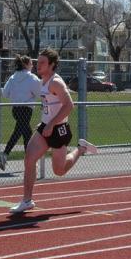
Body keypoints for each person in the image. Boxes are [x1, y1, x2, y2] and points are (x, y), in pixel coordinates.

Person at [9, 48, 98, 213]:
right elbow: (48, 105)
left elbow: (69, 105)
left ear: (52, 65)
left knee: (59, 170)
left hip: (59, 129)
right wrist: (44, 123)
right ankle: (27, 200)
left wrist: (51, 124)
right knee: (29, 157)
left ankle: (80, 149)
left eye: (42, 62)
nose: (38, 65)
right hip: (45, 127)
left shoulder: (56, 82)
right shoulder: (41, 81)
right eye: (37, 62)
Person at [0, 55, 41, 170]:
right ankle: (6, 153)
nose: (33, 65)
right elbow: (39, 93)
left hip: (16, 109)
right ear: (26, 65)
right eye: (31, 63)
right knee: (19, 132)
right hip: (26, 109)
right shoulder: (32, 78)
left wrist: (17, 94)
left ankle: (29, 160)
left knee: (27, 133)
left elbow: (5, 93)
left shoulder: (13, 77)